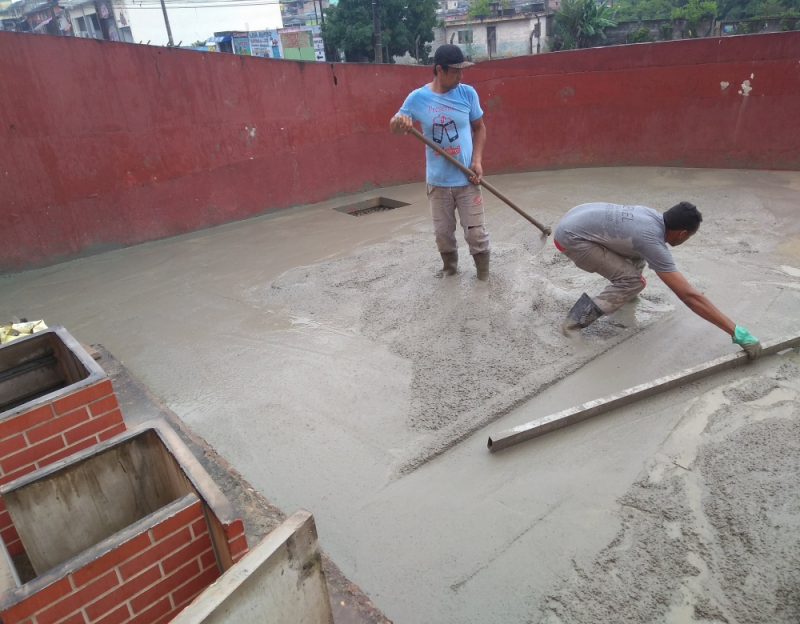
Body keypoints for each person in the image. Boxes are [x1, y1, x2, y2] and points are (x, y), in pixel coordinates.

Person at [553, 201, 763, 359]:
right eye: (690, 236)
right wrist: (737, 333)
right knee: (634, 282)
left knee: (638, 254)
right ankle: (572, 324)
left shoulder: (652, 217)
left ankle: (625, 299)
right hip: (572, 240)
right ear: (682, 233)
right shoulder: (651, 239)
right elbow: (689, 297)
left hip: (575, 220)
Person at [389, 44, 490, 280]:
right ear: (439, 70)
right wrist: (400, 122)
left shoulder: (467, 94)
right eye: (456, 71)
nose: (461, 76)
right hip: (438, 182)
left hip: (467, 177)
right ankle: (450, 273)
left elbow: (480, 128)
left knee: (476, 234)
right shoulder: (417, 98)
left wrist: (477, 160)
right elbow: (393, 127)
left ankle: (484, 278)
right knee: (443, 235)